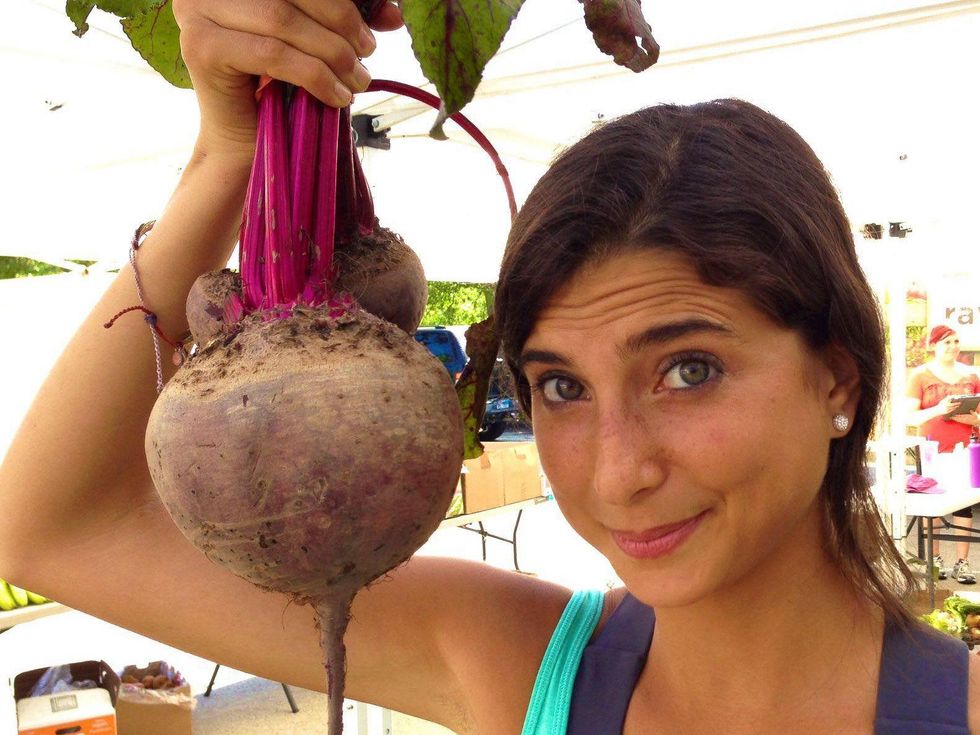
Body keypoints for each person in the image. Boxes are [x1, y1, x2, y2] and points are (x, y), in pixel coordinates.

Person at [1, 1, 978, 732]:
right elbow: (50, 529)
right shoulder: (511, 658)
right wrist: (227, 152)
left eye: (688, 370)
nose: (616, 472)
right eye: (561, 386)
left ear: (838, 378)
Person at [906, 325, 980, 584]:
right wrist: (939, 409)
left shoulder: (972, 375)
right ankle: (934, 558)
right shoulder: (920, 375)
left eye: (956, 341)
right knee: (934, 503)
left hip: (965, 449)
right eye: (946, 342)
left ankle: (962, 562)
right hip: (931, 451)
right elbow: (909, 416)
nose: (952, 347)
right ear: (934, 345)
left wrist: (975, 419)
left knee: (964, 505)